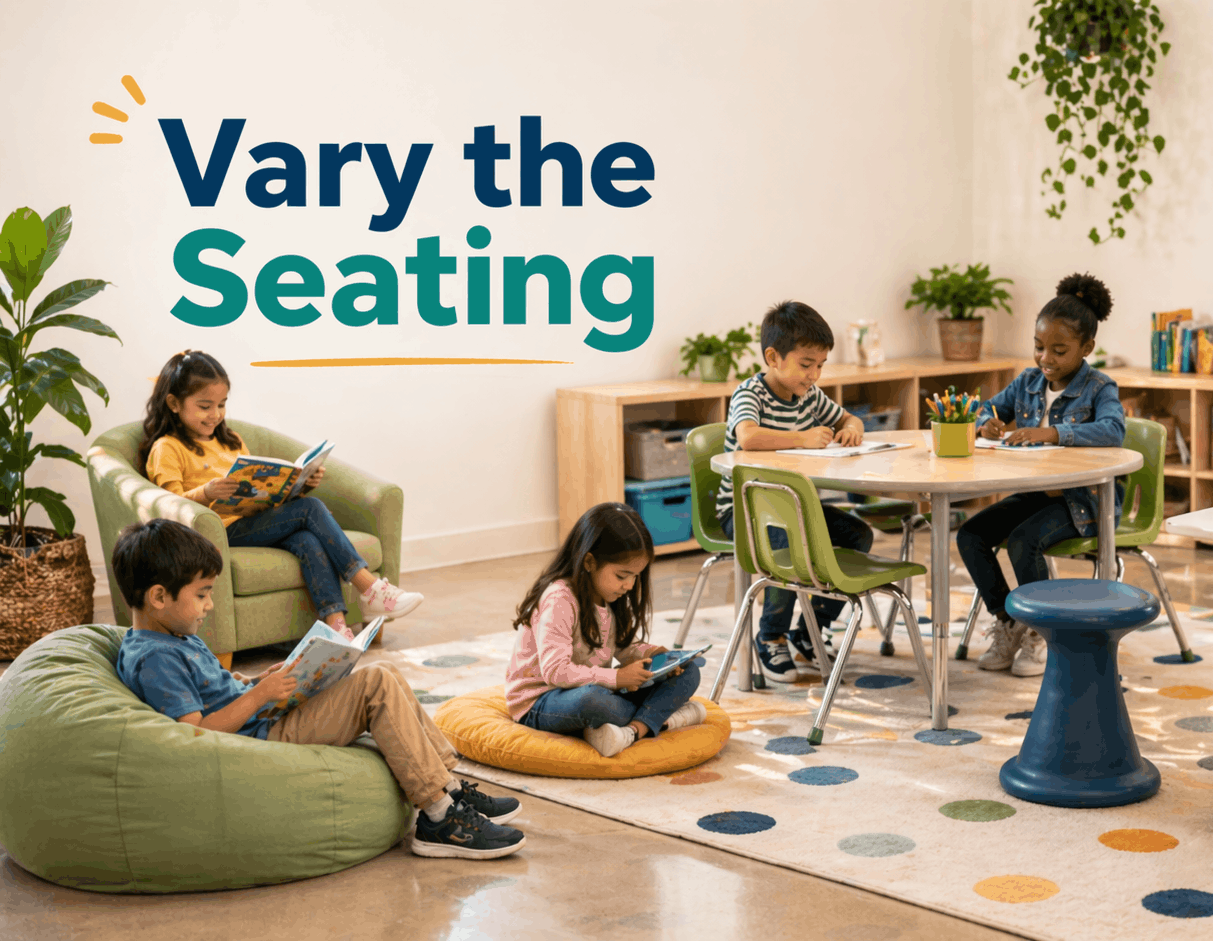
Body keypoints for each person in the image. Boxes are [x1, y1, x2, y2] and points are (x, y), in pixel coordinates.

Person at [110, 518, 525, 860]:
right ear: (159, 596)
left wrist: (260, 682)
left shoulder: (173, 636)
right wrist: (259, 696)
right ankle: (438, 818)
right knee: (375, 684)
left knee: (386, 674)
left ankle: (449, 788)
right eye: (202, 595)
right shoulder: (156, 658)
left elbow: (214, 691)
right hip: (262, 737)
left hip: (265, 716)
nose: (209, 605)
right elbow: (193, 734)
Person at [141, 350, 422, 641]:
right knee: (311, 509)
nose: (215, 414)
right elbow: (166, 506)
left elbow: (260, 491)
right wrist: (206, 492)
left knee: (308, 540)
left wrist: (301, 484)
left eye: (222, 405)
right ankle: (370, 589)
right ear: (173, 403)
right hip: (220, 532)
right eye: (204, 406)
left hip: (253, 521)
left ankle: (337, 630)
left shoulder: (231, 440)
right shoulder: (167, 447)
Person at [959, 273, 1126, 677]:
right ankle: (1010, 620)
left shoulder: (1100, 388)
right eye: (1038, 347)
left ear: (1087, 348)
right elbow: (986, 409)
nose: (1045, 358)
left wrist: (1052, 433)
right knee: (971, 535)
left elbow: (1113, 429)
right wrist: (986, 424)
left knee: (1022, 542)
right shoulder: (1028, 383)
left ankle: (1043, 634)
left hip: (1082, 502)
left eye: (1059, 350)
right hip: (1037, 495)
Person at [717, 300, 873, 682]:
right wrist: (802, 437)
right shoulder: (749, 394)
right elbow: (748, 438)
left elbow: (848, 417)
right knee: (785, 544)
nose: (814, 375)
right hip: (743, 512)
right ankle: (770, 636)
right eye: (806, 364)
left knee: (858, 534)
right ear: (773, 357)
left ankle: (811, 629)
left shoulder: (808, 396)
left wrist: (853, 428)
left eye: (820, 365)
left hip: (796, 510)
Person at [506, 503, 705, 757]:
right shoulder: (560, 599)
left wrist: (655, 655)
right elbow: (555, 672)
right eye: (622, 576)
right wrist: (617, 678)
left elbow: (620, 646)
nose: (630, 585)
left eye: (636, 576)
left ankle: (635, 728)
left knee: (690, 672)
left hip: (591, 687)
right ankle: (663, 717)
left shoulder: (607, 594)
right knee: (592, 701)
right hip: (542, 701)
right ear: (589, 561)